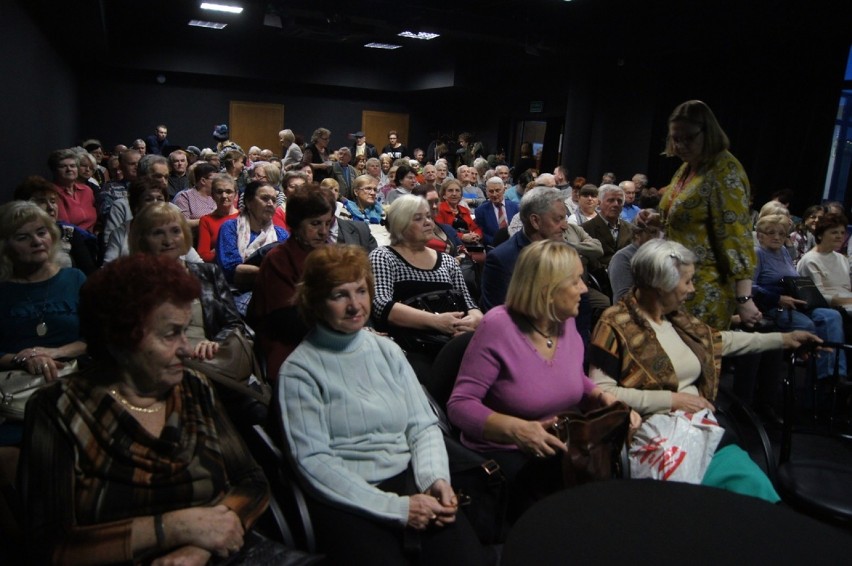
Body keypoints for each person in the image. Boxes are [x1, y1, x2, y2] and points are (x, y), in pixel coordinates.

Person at [22, 253, 269, 565]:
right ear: (120, 337)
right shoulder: (58, 408)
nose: (185, 347)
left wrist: (200, 546)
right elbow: (49, 544)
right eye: (170, 334)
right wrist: (175, 528)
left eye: (185, 331)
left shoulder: (194, 387)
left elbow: (251, 481)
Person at [278, 245, 485, 565]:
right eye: (339, 295)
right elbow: (314, 463)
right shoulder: (299, 370)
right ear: (316, 302)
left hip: (409, 479)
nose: (354, 305)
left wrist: (435, 479)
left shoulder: (386, 350)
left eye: (361, 291)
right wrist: (398, 509)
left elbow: (423, 425)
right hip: (348, 498)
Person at [589, 239, 820, 501]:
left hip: (698, 426)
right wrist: (672, 400)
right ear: (660, 285)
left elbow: (719, 341)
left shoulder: (676, 317)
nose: (692, 289)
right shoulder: (614, 323)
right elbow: (601, 391)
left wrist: (784, 339)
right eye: (686, 281)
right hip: (652, 432)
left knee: (754, 489)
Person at [448, 240, 634, 517]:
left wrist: (603, 398)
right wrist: (517, 429)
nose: (585, 288)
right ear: (547, 290)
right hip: (508, 454)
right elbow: (460, 405)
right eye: (575, 281)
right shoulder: (498, 326)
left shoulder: (565, 320)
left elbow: (571, 377)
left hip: (559, 445)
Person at [660, 100, 761, 329]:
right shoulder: (687, 168)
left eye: (689, 138)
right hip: (674, 282)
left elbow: (737, 237)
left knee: (696, 359)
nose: (681, 145)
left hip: (705, 289)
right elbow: (682, 219)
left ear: (708, 133)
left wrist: (744, 298)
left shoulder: (725, 171)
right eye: (676, 138)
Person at [0, 201, 87, 447]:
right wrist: (24, 358)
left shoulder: (75, 278)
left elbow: (97, 338)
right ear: (5, 246)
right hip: (14, 396)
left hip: (74, 383)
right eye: (23, 237)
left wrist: (55, 352)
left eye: (41, 232)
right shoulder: (3, 290)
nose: (37, 241)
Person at [129, 204, 247, 363]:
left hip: (209, 359)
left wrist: (214, 344)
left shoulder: (208, 273)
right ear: (141, 240)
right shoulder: (133, 281)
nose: (168, 240)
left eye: (175, 231)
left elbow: (234, 323)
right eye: (158, 233)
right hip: (157, 364)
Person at [369, 195, 482, 344]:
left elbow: (470, 304)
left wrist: (473, 321)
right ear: (400, 225)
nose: (428, 222)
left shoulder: (447, 261)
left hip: (452, 341)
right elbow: (380, 305)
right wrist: (436, 321)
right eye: (418, 218)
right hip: (407, 345)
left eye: (428, 216)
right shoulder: (383, 256)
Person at [248, 185, 333, 378]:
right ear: (296, 224)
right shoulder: (279, 259)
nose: (323, 231)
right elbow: (287, 322)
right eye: (315, 224)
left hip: (328, 337)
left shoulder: (329, 253)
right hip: (290, 347)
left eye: (328, 224)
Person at [753, 214, 846, 382]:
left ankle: (835, 374)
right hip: (771, 304)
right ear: (759, 235)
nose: (777, 237)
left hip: (794, 301)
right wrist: (778, 298)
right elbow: (750, 287)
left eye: (782, 234)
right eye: (771, 233)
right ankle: (822, 377)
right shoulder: (757, 253)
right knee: (807, 325)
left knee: (830, 316)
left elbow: (792, 278)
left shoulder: (783, 251)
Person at [216, 180, 288, 302]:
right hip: (236, 293)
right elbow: (231, 270)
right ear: (249, 202)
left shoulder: (281, 234)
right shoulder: (231, 227)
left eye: (274, 200)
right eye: (265, 198)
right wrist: (273, 272)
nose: (270, 204)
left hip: (273, 292)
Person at [14, 176, 97, 274]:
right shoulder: (13, 236)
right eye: (42, 202)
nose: (51, 207)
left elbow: (89, 272)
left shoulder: (69, 233)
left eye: (53, 201)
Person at [797, 212, 852, 310]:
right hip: (828, 309)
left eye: (842, 233)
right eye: (834, 232)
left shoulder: (842, 259)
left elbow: (847, 288)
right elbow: (819, 297)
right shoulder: (810, 260)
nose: (840, 236)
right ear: (820, 235)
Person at [608, 209, 663, 302]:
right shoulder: (622, 258)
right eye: (653, 232)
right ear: (637, 234)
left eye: (662, 233)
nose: (659, 238)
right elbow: (623, 300)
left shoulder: (661, 254)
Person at [48, 148, 97, 233]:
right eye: (63, 166)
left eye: (72, 166)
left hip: (91, 241)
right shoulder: (50, 193)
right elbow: (64, 228)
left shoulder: (87, 190)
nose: (69, 169)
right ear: (54, 170)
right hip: (70, 242)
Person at [197, 174, 239, 262]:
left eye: (228, 192)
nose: (224, 196)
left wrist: (218, 251)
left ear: (235, 195)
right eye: (219, 192)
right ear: (212, 195)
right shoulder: (206, 220)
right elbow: (203, 255)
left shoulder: (244, 216)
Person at [434, 178, 483, 245]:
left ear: (461, 195)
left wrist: (477, 235)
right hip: (450, 245)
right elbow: (441, 232)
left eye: (457, 191)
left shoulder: (464, 210)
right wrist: (462, 236)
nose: (454, 194)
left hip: (469, 244)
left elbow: (475, 228)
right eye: (450, 191)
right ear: (444, 195)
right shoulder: (439, 210)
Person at [475, 177, 518, 246]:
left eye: (497, 190)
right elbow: (481, 233)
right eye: (491, 191)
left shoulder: (515, 207)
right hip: (493, 247)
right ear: (486, 192)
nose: (494, 194)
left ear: (504, 190)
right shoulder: (480, 211)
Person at [173, 162, 218, 228]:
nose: (218, 182)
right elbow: (182, 222)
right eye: (215, 180)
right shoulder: (185, 197)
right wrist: (208, 220)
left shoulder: (217, 195)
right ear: (203, 181)